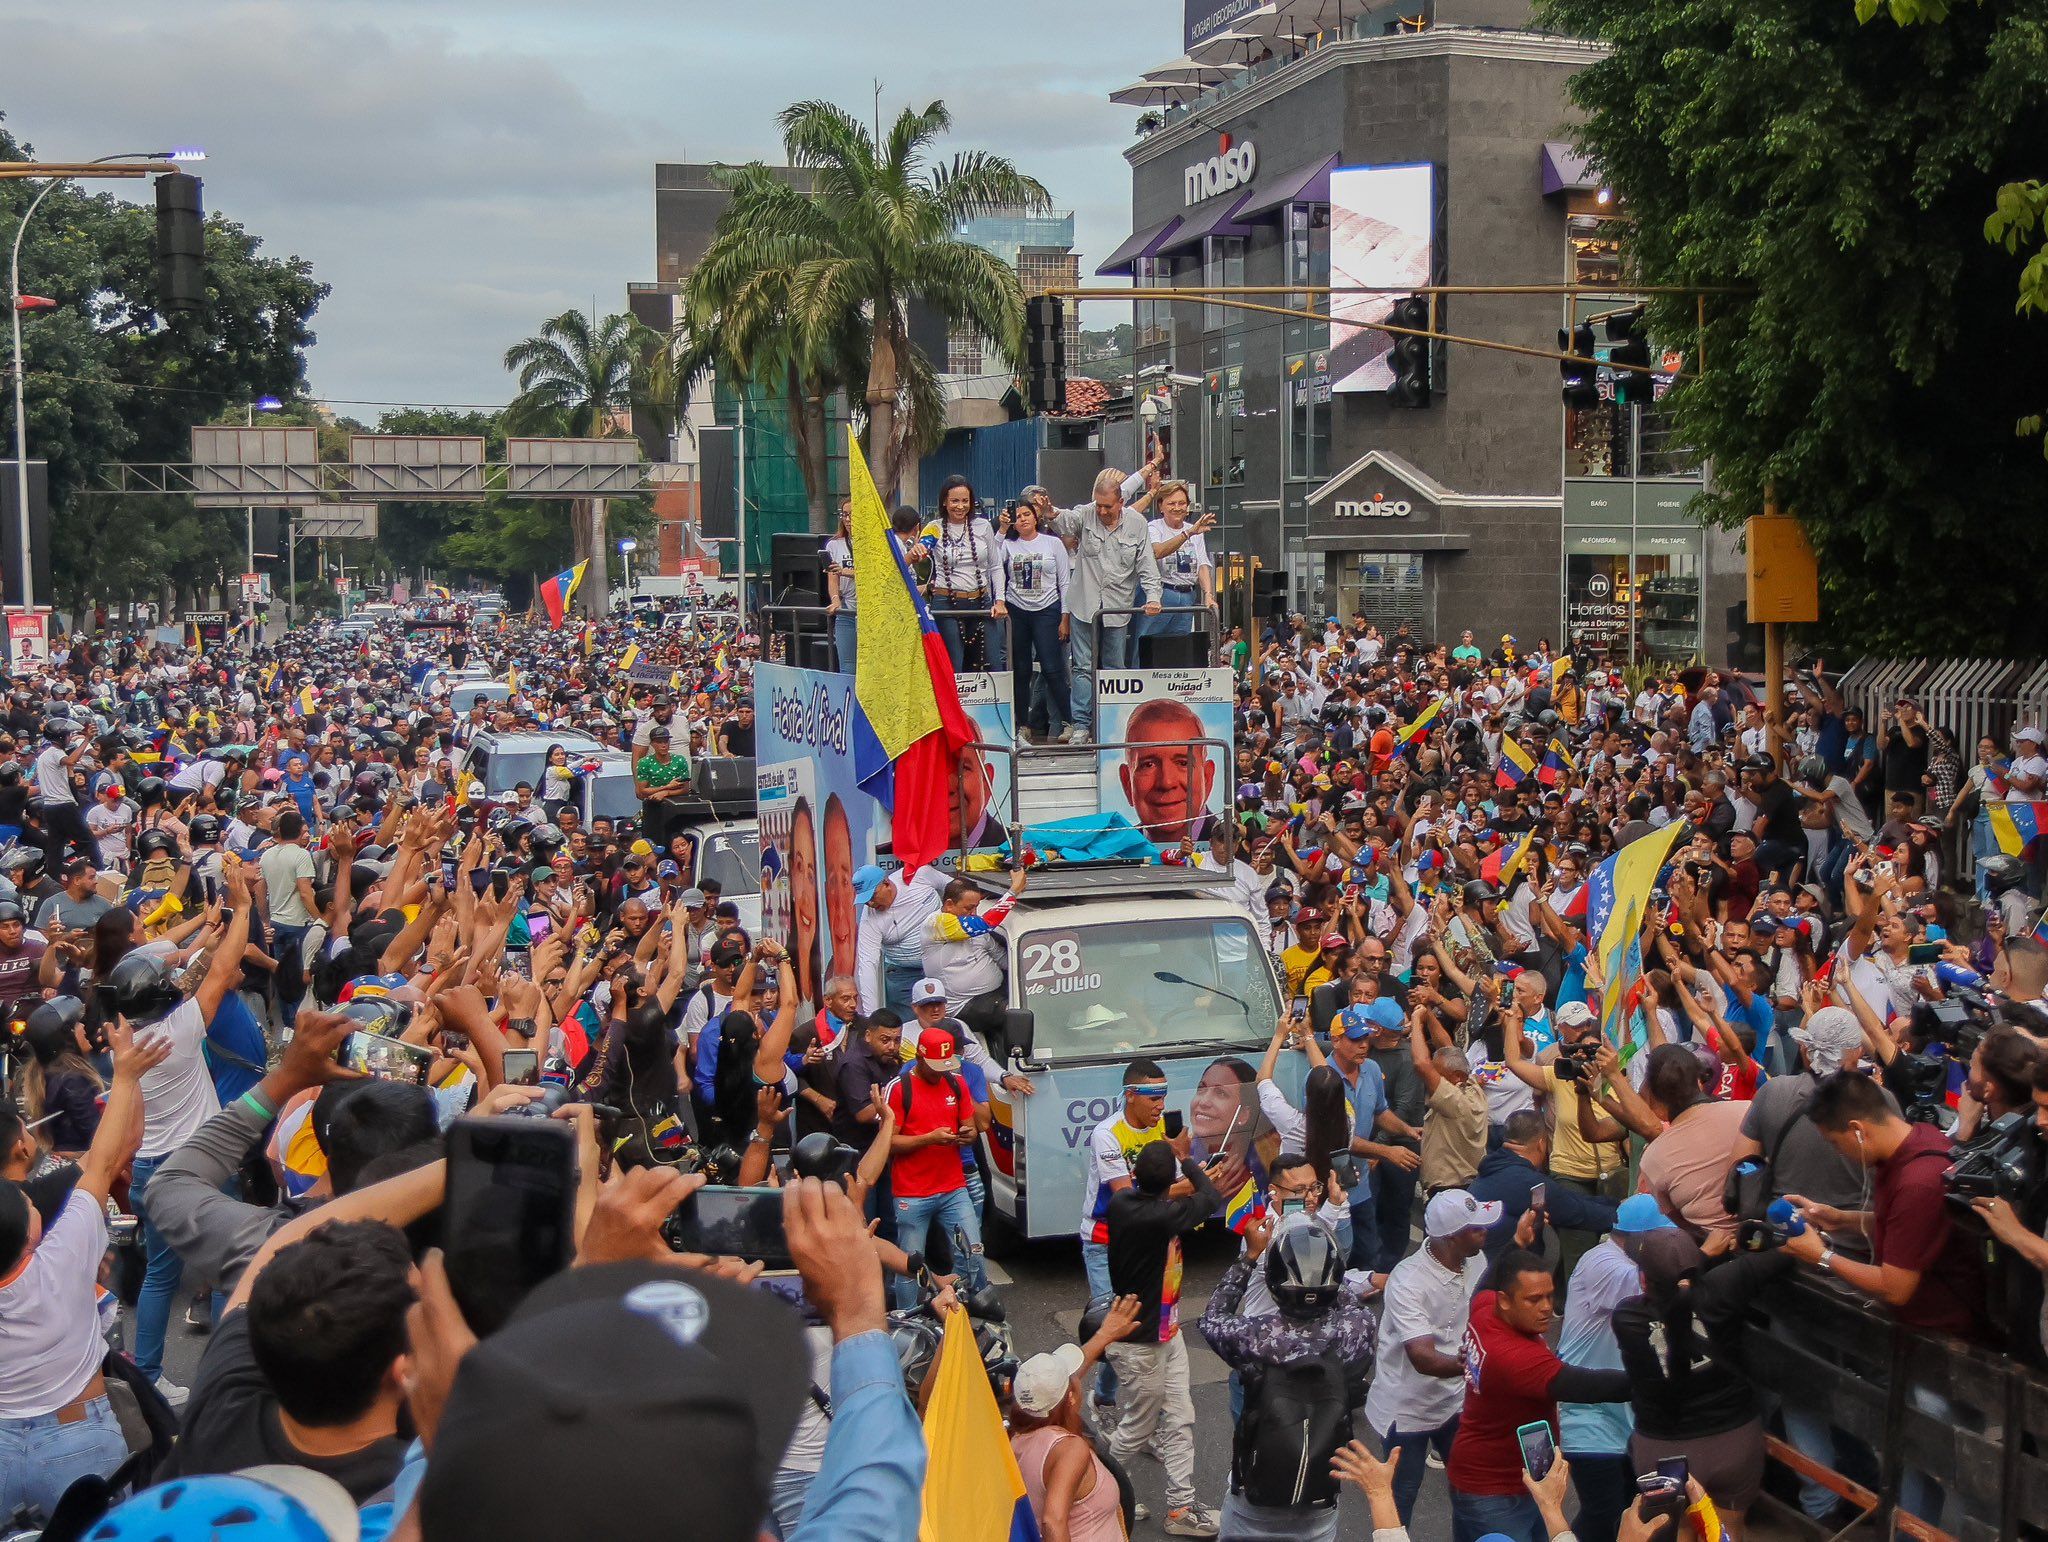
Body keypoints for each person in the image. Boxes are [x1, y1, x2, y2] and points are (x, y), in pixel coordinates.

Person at [0, 1018, 167, 1523]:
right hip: (80, 1437)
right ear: (27, 1237)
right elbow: (103, 1163)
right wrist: (128, 1076)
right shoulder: (64, 1254)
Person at [1610, 1207, 1795, 1539]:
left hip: (1663, 1451)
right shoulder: (1726, 1286)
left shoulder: (1627, 1318)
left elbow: (1676, 1301)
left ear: (1643, 1278)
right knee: (1726, 1531)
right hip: (1733, 1442)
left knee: (1679, 1530)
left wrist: (1704, 1256)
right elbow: (1787, 1253)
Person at [1201, 1205, 1379, 1542]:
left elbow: (1211, 1319)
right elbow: (1345, 1297)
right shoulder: (1359, 1328)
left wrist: (1249, 1257)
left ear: (1273, 1281)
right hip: (1320, 1498)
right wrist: (1322, 1270)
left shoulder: (1256, 1336)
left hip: (1255, 1497)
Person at [1443, 1249, 1632, 1542]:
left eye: (1549, 1295)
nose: (1547, 1307)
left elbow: (1486, 1284)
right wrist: (1659, 1381)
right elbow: (1591, 1386)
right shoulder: (1515, 1358)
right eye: (1533, 1300)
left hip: (1522, 1480)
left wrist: (1517, 1242)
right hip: (1494, 1491)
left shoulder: (1484, 1308)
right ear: (1505, 1301)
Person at [1104, 1138, 1223, 1537]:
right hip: (1140, 1344)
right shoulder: (1163, 1217)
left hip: (1165, 1333)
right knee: (1138, 1427)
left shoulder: (1122, 1204)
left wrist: (1178, 1169)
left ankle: (1181, 1508)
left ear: (1134, 1176)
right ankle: (1104, 1492)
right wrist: (1188, 1158)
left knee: (1181, 1419)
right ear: (1170, 1181)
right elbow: (1211, 1194)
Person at [1363, 1189, 1499, 1525]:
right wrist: (1476, 1368)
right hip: (1406, 1411)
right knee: (1400, 1500)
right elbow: (1422, 1357)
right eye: (1477, 1228)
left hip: (1454, 1403)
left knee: (1472, 1491)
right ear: (1452, 1237)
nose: (1486, 1231)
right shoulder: (1408, 1281)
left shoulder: (1477, 1261)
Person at [1008, 1296, 1143, 1542]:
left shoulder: (1019, 1436)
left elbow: (1059, 1385)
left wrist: (1105, 1334)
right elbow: (1053, 1521)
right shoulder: (1069, 1449)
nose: (1078, 1378)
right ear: (1071, 1397)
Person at [1052, 466, 1159, 742]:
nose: (1102, 511)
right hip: (1084, 604)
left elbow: (1147, 564)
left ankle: (1113, 723)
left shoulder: (1137, 524)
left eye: (1107, 506)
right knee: (1082, 667)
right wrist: (1050, 511)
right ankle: (1081, 726)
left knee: (1114, 667)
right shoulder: (1086, 514)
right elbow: (1065, 520)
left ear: (1121, 501)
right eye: (1098, 505)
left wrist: (1153, 596)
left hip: (1117, 607)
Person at [884, 1025, 988, 1306]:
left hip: (953, 1186)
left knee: (973, 1251)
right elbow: (887, 1143)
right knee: (910, 1264)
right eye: (935, 1066)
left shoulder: (957, 1082)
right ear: (919, 1057)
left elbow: (971, 1128)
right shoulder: (899, 1087)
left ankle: (971, 1309)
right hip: (912, 1192)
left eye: (946, 1065)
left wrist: (968, 1135)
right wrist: (929, 1139)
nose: (941, 1071)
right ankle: (908, 1318)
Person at [1001, 501, 1074, 741]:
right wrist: (1002, 530)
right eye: (1018, 516)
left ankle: (1068, 722)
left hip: (1048, 610)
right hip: (1017, 610)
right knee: (1021, 670)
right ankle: (1023, 724)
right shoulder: (1008, 545)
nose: (1022, 519)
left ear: (1036, 517)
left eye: (1026, 514)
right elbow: (991, 560)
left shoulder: (1053, 543)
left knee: (1053, 669)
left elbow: (1064, 582)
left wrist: (1065, 617)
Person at [1114, 698, 1218, 845]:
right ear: (1127, 783)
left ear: (1207, 778)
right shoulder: (1118, 855)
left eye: (1183, 763)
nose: (1166, 782)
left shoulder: (1236, 853)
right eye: (1148, 765)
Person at [1138, 483, 1215, 642]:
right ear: (1161, 506)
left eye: (1181, 503)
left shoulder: (1195, 531)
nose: (1177, 508)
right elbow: (1158, 551)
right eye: (1171, 503)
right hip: (1162, 593)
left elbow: (1202, 564)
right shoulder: (1153, 528)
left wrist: (1208, 594)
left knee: (1178, 646)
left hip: (1187, 595)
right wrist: (1187, 534)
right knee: (1147, 642)